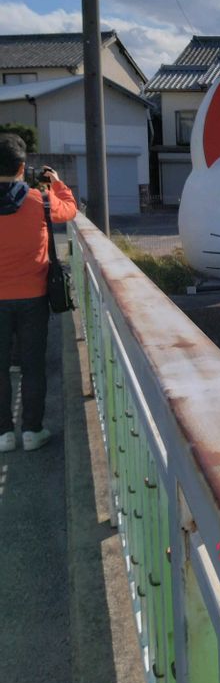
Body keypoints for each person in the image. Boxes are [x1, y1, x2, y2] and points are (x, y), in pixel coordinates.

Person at [0, 134, 77, 452]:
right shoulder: (39, 200)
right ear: (22, 167)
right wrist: (56, 184)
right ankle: (32, 431)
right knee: (33, 366)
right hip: (33, 297)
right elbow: (70, 210)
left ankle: (3, 435)